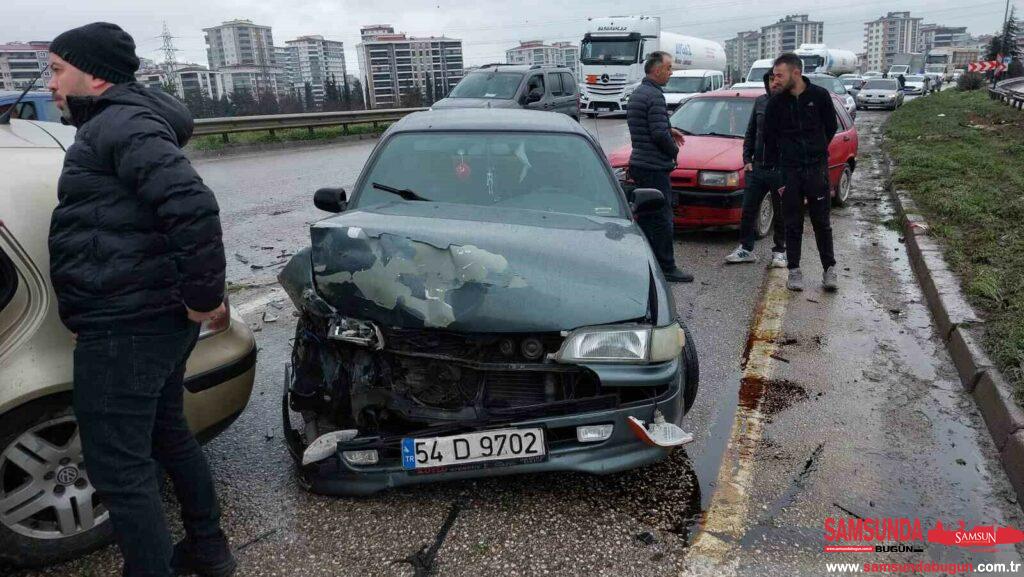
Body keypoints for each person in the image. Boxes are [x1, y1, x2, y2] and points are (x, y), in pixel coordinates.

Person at [46, 23, 235, 577]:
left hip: (128, 326)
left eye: (58, 69)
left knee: (120, 471)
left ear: (96, 75)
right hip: (148, 318)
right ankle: (208, 548)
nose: (51, 83)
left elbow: (191, 205)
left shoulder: (119, 123)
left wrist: (205, 297)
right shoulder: (119, 123)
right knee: (168, 434)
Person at [763, 53, 839, 292]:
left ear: (795, 73)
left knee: (821, 222)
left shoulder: (819, 96)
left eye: (779, 75)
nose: (775, 79)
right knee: (791, 222)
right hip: (790, 171)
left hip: (816, 169)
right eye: (774, 75)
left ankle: (829, 269)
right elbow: (769, 137)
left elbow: (830, 127)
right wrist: (778, 169)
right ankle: (794, 271)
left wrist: (817, 151)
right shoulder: (776, 103)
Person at [626, 50, 693, 283]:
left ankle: (646, 263)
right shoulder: (654, 95)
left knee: (645, 217)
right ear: (656, 70)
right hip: (654, 166)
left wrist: (668, 128)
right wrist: (673, 150)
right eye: (668, 68)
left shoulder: (638, 93)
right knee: (663, 218)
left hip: (640, 163)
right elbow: (656, 134)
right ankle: (667, 267)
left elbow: (649, 127)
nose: (670, 72)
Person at [724, 71, 786, 267]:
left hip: (781, 170)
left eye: (777, 79)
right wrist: (746, 159)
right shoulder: (760, 102)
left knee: (782, 211)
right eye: (770, 79)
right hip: (757, 167)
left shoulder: (791, 103)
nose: (774, 83)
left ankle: (780, 251)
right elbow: (750, 132)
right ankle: (745, 249)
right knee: (748, 209)